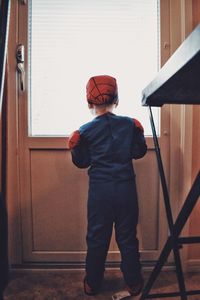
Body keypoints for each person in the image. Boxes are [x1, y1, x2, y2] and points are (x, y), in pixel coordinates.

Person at [67, 75, 147, 296]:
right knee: (128, 237)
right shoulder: (130, 125)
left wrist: (75, 147)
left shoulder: (85, 130)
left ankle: (92, 282)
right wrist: (139, 133)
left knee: (96, 237)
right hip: (125, 190)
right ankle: (134, 282)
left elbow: (82, 162)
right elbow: (138, 152)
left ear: (89, 103)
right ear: (117, 99)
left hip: (100, 192)